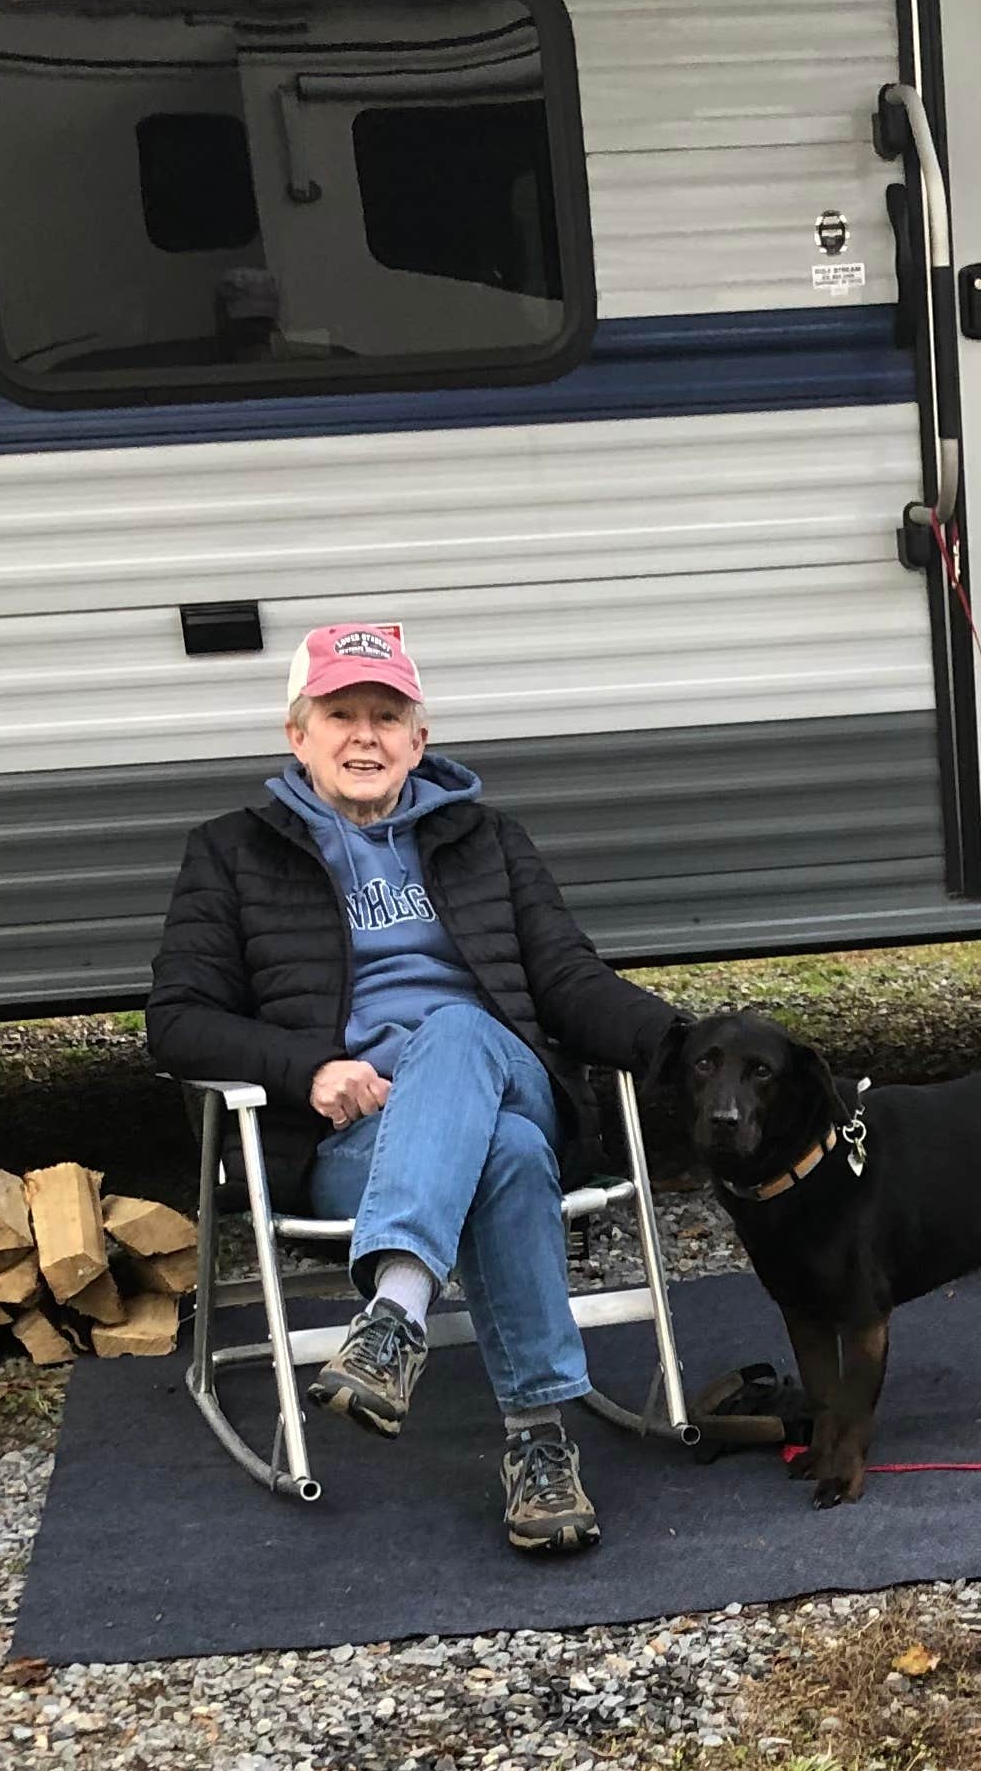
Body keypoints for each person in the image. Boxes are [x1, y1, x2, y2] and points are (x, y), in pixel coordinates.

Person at [146, 621, 678, 1557]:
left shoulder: (488, 840)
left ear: (419, 741)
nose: (364, 737)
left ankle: (393, 1315)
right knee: (504, 1155)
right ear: (296, 735)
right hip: (361, 1140)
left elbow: (569, 980)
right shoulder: (230, 854)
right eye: (339, 714)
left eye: (386, 717)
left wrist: (683, 1042)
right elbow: (177, 1020)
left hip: (504, 1071)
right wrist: (306, 1069)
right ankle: (541, 1446)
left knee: (461, 1029)